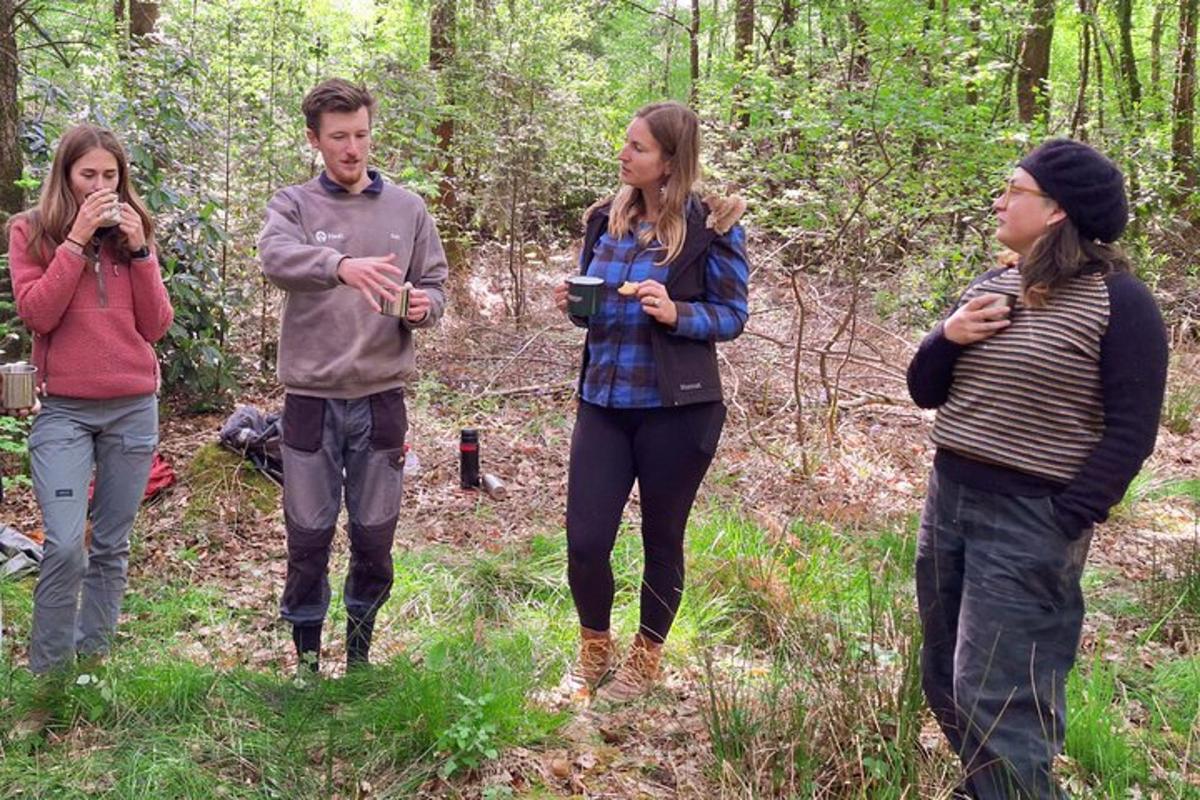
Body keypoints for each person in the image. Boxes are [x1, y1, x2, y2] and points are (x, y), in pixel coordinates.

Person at [907, 139, 1168, 798]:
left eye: (1014, 189)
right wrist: (947, 336)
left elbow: (1133, 429)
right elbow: (926, 390)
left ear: (1056, 210)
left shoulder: (1121, 302)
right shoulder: (994, 286)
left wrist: (1068, 517)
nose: (999, 201)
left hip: (1030, 518)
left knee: (1000, 694)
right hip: (949, 500)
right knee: (944, 675)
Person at [553, 101, 749, 704]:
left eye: (638, 147)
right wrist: (574, 304)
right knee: (586, 540)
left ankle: (646, 658)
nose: (624, 154)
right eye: (626, 142)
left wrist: (675, 312)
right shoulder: (603, 219)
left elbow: (732, 315)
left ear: (670, 161)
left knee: (662, 538)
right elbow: (591, 306)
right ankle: (594, 648)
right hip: (603, 400)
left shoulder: (711, 225)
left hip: (677, 410)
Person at [258, 78, 447, 675]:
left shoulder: (407, 208)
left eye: (361, 135)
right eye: (339, 137)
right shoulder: (293, 205)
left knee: (374, 536)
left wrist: (425, 308)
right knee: (308, 537)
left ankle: (361, 655)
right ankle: (307, 660)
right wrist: (340, 266)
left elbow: (435, 284)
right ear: (314, 139)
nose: (352, 148)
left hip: (381, 397)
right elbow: (274, 259)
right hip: (311, 399)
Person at [7, 124, 173, 675]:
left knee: (111, 545)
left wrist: (142, 251)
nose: (101, 187)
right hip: (64, 410)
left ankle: (93, 665)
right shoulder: (31, 231)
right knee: (63, 545)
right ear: (66, 176)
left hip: (133, 406)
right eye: (88, 175)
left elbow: (156, 326)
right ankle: (49, 676)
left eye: (110, 176)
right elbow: (37, 314)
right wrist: (75, 241)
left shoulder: (135, 228)